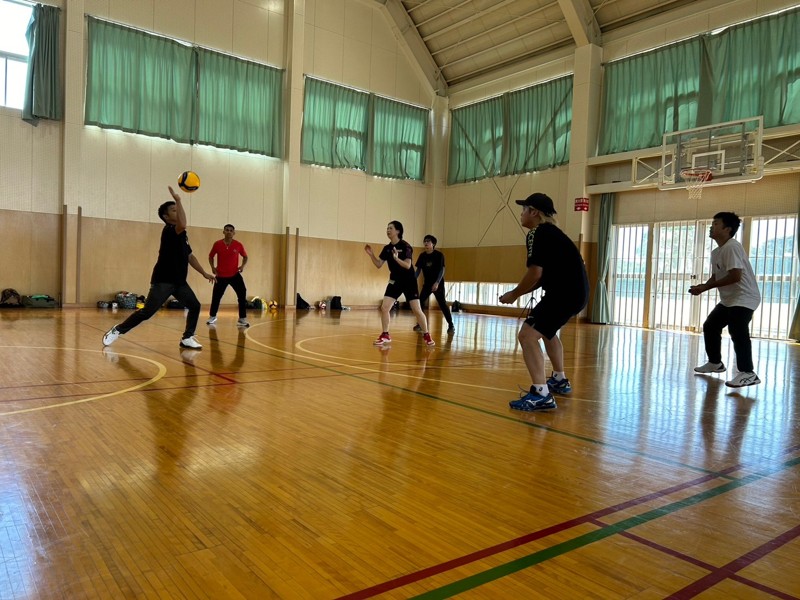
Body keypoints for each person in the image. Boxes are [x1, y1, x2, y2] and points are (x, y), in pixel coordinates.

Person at [499, 193, 589, 411]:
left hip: (564, 294)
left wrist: (514, 294)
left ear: (534, 212)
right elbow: (544, 276)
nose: (521, 214)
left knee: (527, 335)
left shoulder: (537, 233)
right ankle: (558, 379)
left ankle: (541, 394)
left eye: (524, 209)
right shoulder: (553, 234)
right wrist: (520, 291)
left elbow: (535, 273)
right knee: (547, 332)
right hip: (576, 293)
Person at [102, 186, 215, 349]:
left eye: (178, 210)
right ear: (166, 216)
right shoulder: (169, 231)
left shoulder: (182, 234)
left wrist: (204, 272)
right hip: (164, 280)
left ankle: (187, 338)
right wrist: (178, 200)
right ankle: (117, 330)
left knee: (195, 306)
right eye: (174, 210)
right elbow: (183, 224)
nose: (177, 212)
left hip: (179, 282)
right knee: (147, 312)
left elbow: (190, 256)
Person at [690, 212, 761, 387]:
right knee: (711, 326)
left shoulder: (732, 247)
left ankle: (748, 373)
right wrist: (702, 286)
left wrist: (706, 287)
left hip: (745, 297)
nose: (711, 227)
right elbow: (716, 277)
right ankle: (715, 363)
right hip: (730, 299)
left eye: (715, 224)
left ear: (727, 229)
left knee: (737, 329)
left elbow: (735, 276)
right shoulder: (716, 252)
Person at [364, 221, 435, 347]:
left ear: (398, 231)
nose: (388, 230)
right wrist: (371, 255)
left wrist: (396, 259)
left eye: (390, 228)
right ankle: (385, 334)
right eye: (387, 228)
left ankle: (427, 335)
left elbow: (408, 265)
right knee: (384, 307)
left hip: (409, 281)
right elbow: (379, 264)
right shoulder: (387, 248)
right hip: (394, 281)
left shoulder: (406, 246)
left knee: (417, 310)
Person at [207, 224, 250, 327]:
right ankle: (212, 316)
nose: (229, 232)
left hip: (235, 275)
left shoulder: (238, 245)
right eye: (227, 230)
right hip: (221, 276)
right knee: (216, 297)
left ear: (234, 233)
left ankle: (242, 318)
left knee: (242, 294)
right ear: (223, 232)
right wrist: (213, 267)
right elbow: (211, 256)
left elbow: (245, 257)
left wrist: (242, 266)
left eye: (231, 230)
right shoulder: (217, 244)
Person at [414, 234, 455, 334]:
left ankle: (451, 325)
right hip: (427, 284)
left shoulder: (439, 255)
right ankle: (420, 323)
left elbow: (442, 269)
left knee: (442, 304)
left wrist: (437, 282)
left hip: (438, 284)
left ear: (433, 244)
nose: (426, 243)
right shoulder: (422, 256)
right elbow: (418, 270)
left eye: (428, 241)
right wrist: (413, 279)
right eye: (425, 241)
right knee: (420, 302)